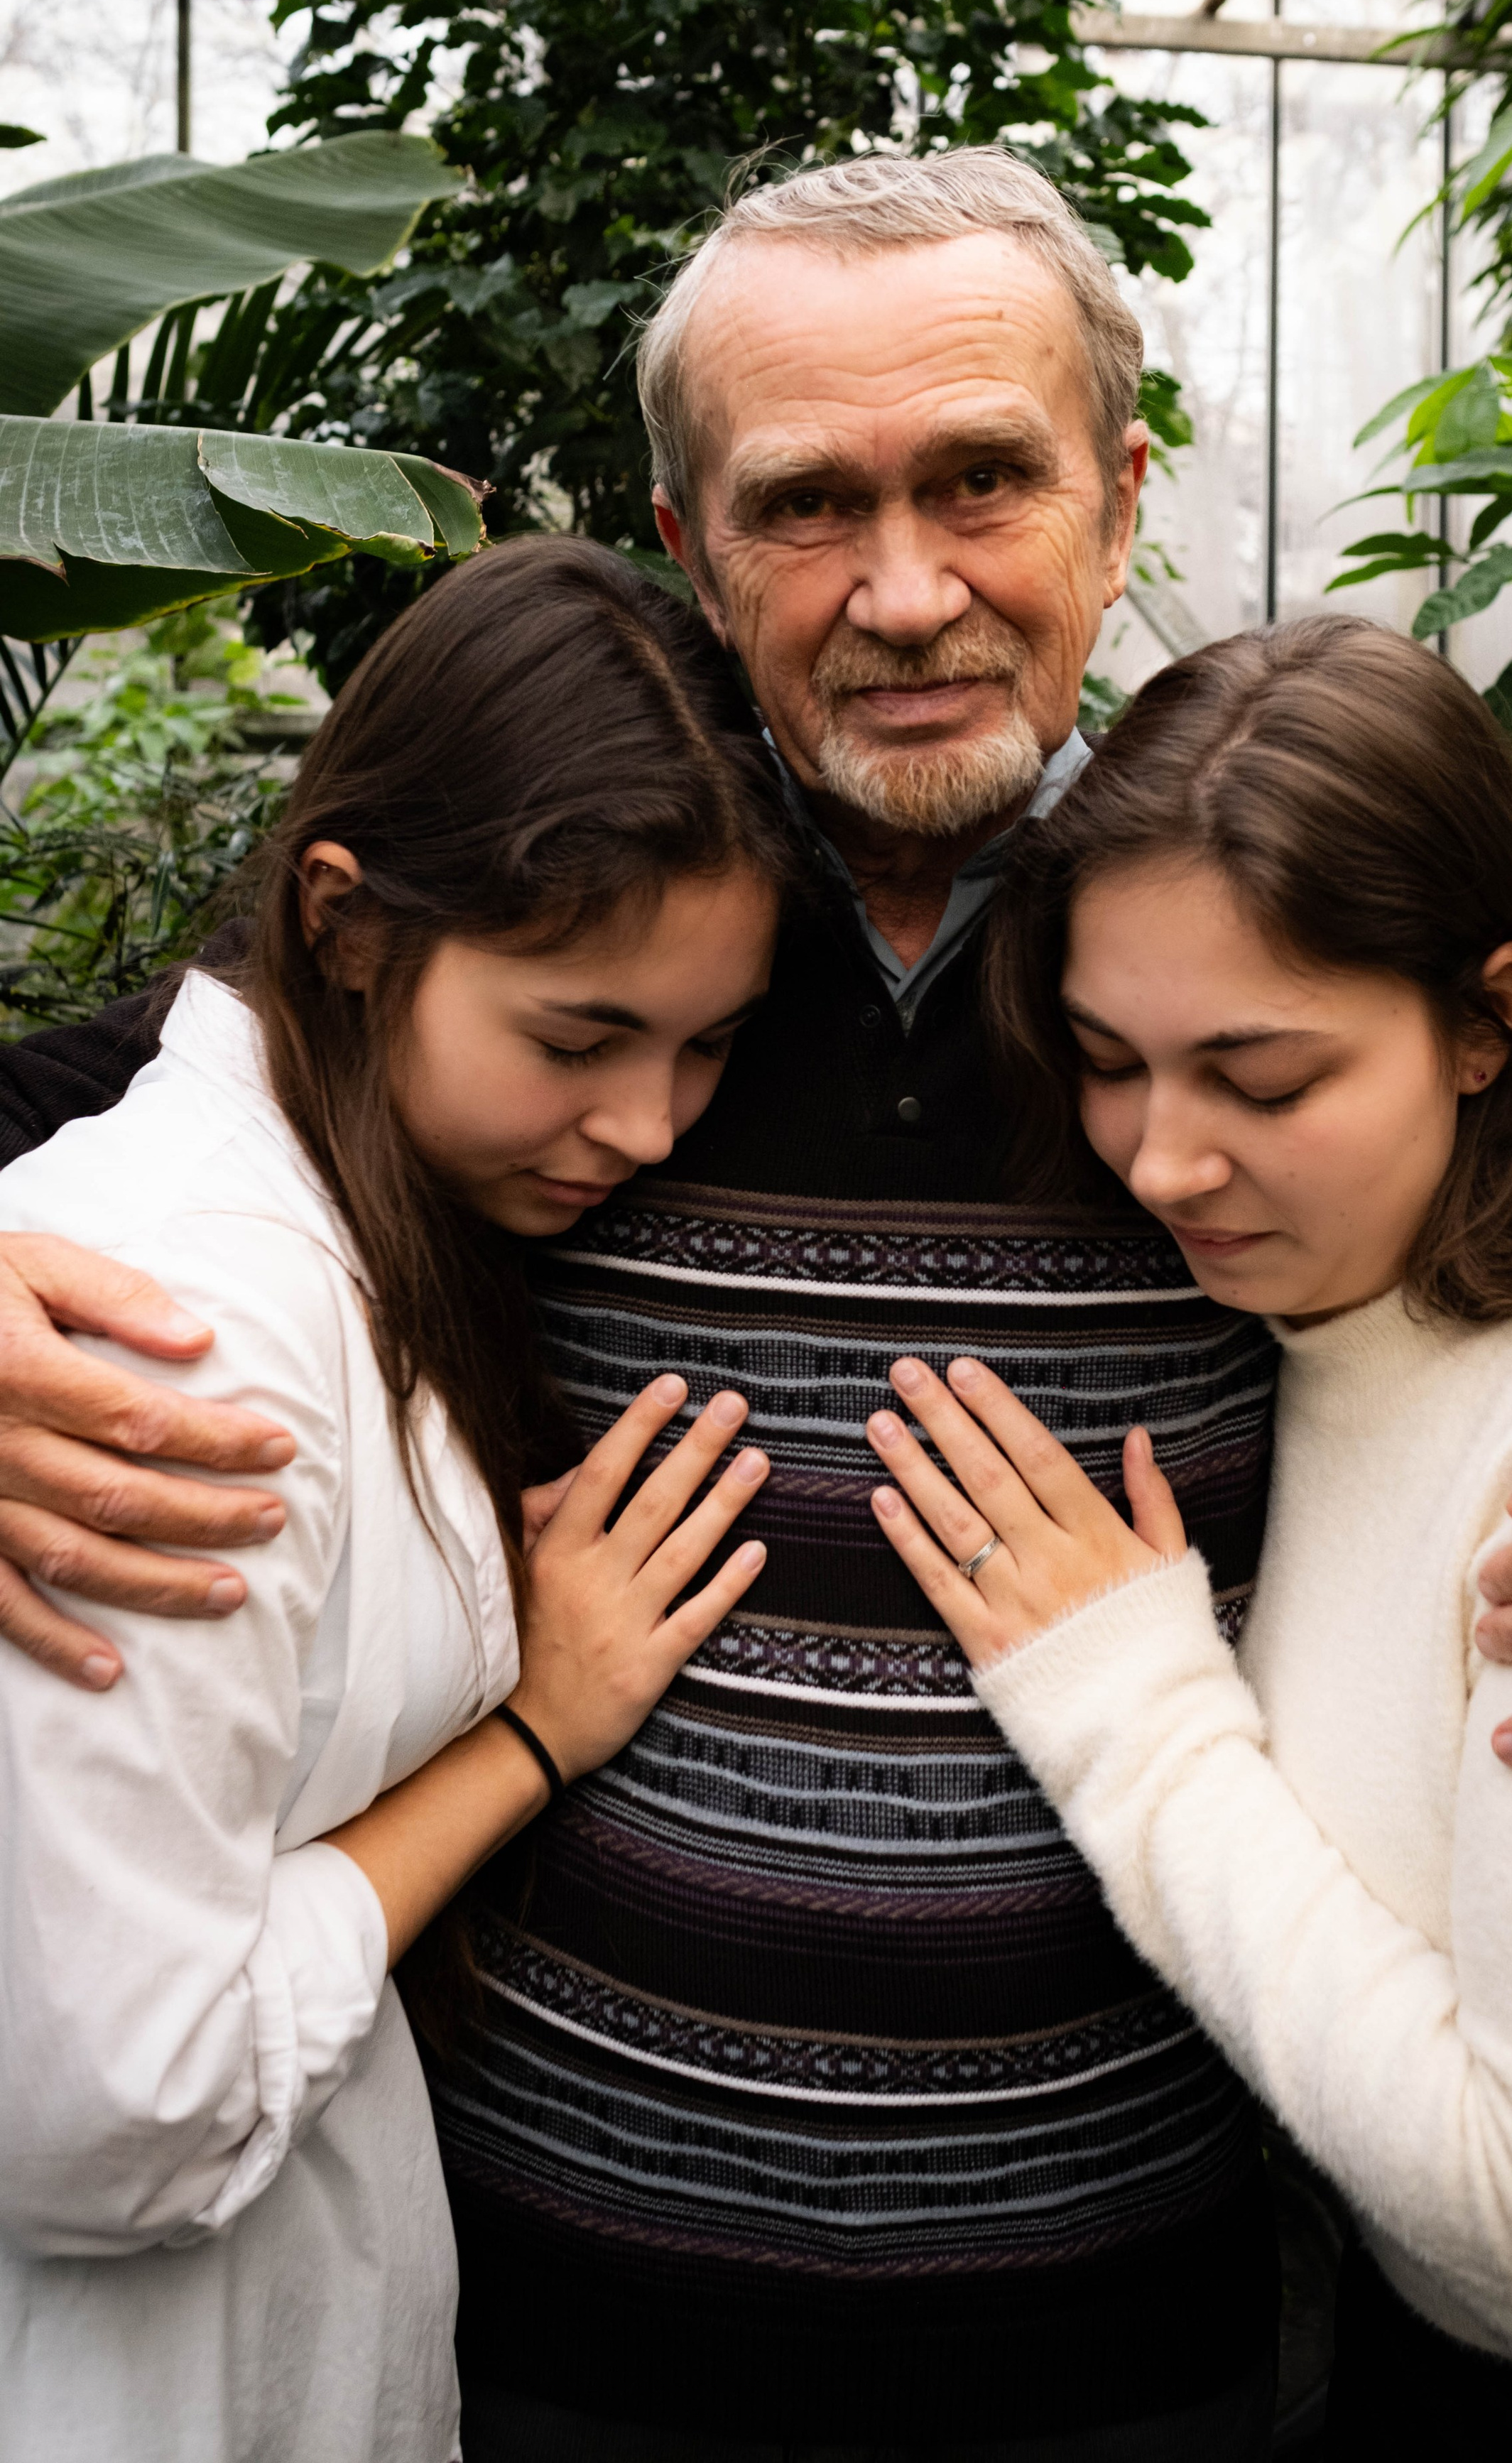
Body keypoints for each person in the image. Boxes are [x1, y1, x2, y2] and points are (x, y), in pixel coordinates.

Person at [1, 153, 1512, 2457]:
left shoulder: (1218, 933)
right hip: (545, 2324)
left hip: (1125, 2345)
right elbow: (178, 1106)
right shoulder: (597, 914)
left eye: (982, 479)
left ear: (1120, 500)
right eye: (806, 505)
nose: (905, 589)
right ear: (692, 548)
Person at [864, 618, 1512, 2461]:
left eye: (1267, 1081)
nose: (1163, 1162)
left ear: (1488, 1020)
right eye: (1109, 1060)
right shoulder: (1335, 1313)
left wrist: (1134, 1715)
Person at [0, 539, 792, 2463]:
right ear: (346, 924)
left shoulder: (364, 1208)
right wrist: (530, 1734)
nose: (645, 1126)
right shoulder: (186, 1341)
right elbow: (120, 2116)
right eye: (577, 1038)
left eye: (705, 1045)